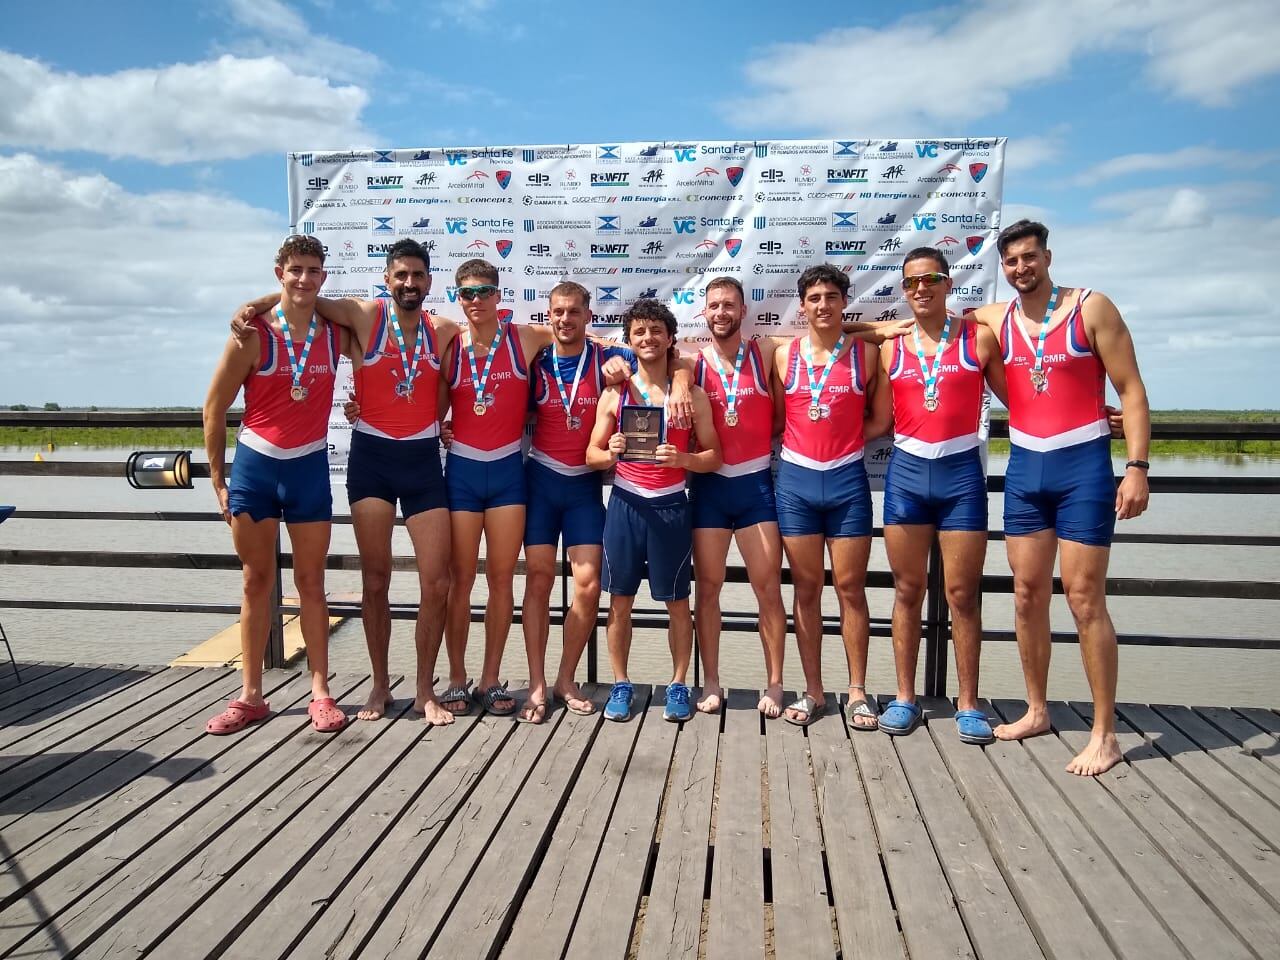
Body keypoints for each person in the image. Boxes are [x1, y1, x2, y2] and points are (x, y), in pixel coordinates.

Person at [233, 239, 461, 725]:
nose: (409, 284)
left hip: (422, 460)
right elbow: (303, 296)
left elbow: (498, 349)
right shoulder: (362, 315)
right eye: (400, 275)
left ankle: (425, 689)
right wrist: (255, 305)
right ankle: (379, 686)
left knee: (437, 581)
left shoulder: (443, 330)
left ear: (429, 282)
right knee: (375, 579)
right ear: (387, 279)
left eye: (418, 276)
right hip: (373, 458)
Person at [974, 219, 1150, 776]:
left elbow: (1132, 390)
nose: (1021, 268)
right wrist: (851, 327)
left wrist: (1138, 469)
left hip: (1084, 470)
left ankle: (1105, 733)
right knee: (1026, 594)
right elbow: (910, 324)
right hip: (1026, 468)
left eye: (1029, 258)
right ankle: (1037, 709)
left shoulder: (1091, 308)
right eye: (1011, 262)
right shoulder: (996, 318)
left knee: (1083, 598)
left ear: (1047, 257)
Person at [203, 234, 346, 735]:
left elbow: (381, 322)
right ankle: (250, 695)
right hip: (257, 468)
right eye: (295, 270)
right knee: (255, 581)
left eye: (313, 270)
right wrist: (218, 479)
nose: (304, 279)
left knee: (312, 584)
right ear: (279, 272)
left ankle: (321, 692)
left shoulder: (334, 331)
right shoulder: (252, 334)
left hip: (307, 469)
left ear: (323, 276)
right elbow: (214, 408)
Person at [877, 247, 1007, 743]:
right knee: (907, 591)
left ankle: (969, 703)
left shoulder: (980, 341)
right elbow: (879, 420)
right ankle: (905, 697)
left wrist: (1092, 412)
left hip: (960, 479)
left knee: (962, 596)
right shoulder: (892, 348)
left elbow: (1021, 401)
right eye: (911, 282)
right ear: (905, 290)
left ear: (948, 284)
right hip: (907, 477)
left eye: (930, 279)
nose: (921, 289)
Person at [587, 299, 721, 723]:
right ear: (629, 341)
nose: (648, 339)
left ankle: (679, 683)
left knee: (678, 603)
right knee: (619, 602)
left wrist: (683, 461)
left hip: (670, 508)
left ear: (669, 339)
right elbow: (590, 455)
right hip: (625, 504)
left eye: (656, 332)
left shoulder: (693, 394)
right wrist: (609, 453)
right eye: (639, 333)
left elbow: (714, 456)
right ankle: (621, 684)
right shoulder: (613, 394)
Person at [772, 264, 890, 728]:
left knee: (851, 590)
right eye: (814, 298)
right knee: (806, 591)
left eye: (831, 297)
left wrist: (844, 441)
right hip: (797, 485)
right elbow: (780, 421)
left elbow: (882, 421)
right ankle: (814, 691)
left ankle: (857, 691)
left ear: (845, 302)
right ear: (802, 306)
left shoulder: (867, 357)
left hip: (847, 483)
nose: (822, 305)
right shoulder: (783, 356)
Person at [519, 281, 637, 722]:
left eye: (573, 312)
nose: (564, 320)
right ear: (548, 316)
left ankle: (566, 678)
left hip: (585, 487)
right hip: (542, 481)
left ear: (588, 316)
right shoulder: (535, 361)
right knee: (538, 580)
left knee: (588, 585)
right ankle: (535, 682)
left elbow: (669, 361)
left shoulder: (610, 359)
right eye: (557, 312)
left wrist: (627, 366)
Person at [689, 277, 787, 717]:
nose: (721, 312)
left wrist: (881, 331)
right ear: (703, 314)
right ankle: (711, 680)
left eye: (729, 305)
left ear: (743, 311)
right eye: (714, 306)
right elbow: (650, 363)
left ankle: (775, 683)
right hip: (710, 488)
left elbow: (837, 335)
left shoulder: (765, 352)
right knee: (707, 590)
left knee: (768, 589)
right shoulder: (689, 366)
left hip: (755, 486)